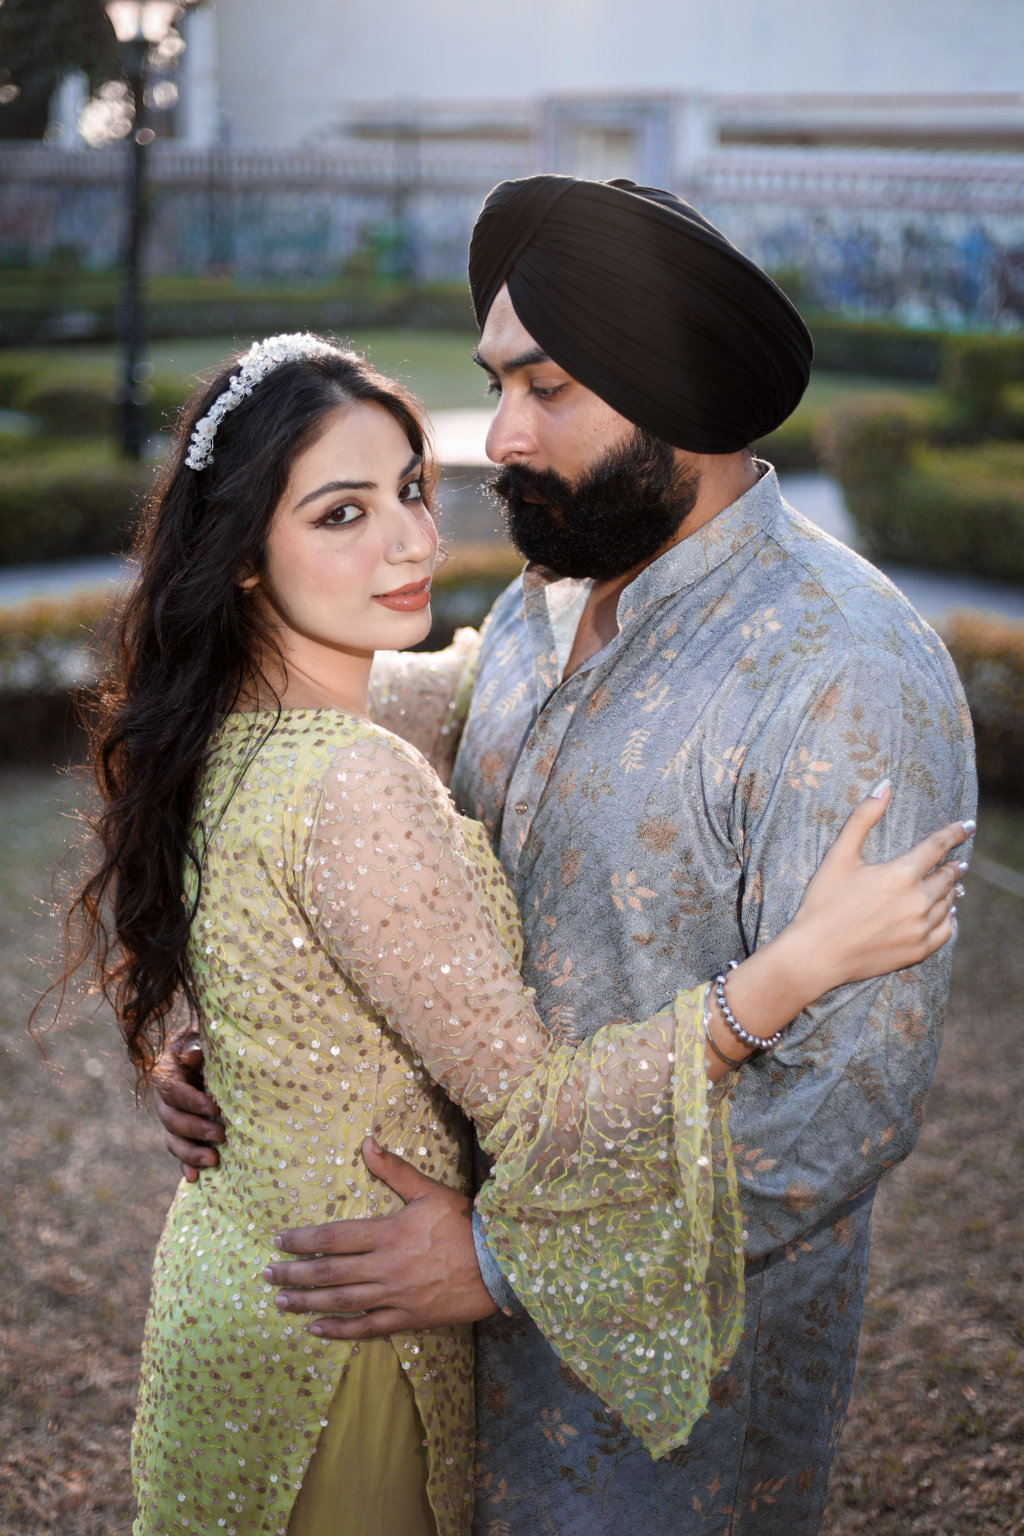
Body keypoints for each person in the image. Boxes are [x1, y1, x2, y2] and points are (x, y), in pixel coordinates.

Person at [61, 327, 966, 1536]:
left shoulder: (818, 661)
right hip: (344, 1336)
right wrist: (793, 970)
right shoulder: (370, 757)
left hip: (277, 1307)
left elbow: (850, 1105)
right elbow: (529, 1104)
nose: (419, 536)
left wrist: (274, 1054)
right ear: (236, 556)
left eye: (410, 493)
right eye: (341, 513)